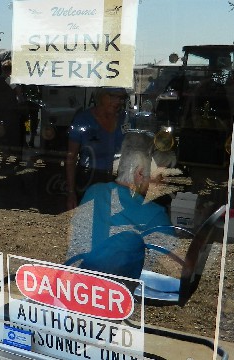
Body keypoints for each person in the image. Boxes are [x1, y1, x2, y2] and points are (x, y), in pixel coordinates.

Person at [66, 131, 173, 279]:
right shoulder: (154, 215)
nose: (164, 182)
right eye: (160, 174)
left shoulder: (94, 191)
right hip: (114, 296)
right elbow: (173, 271)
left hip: (72, 286)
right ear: (140, 173)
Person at [65, 87, 130, 210]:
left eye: (121, 98)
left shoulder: (125, 119)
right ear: (101, 96)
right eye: (112, 96)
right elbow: (71, 157)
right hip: (89, 179)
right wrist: (71, 193)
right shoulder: (82, 120)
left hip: (117, 180)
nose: (118, 101)